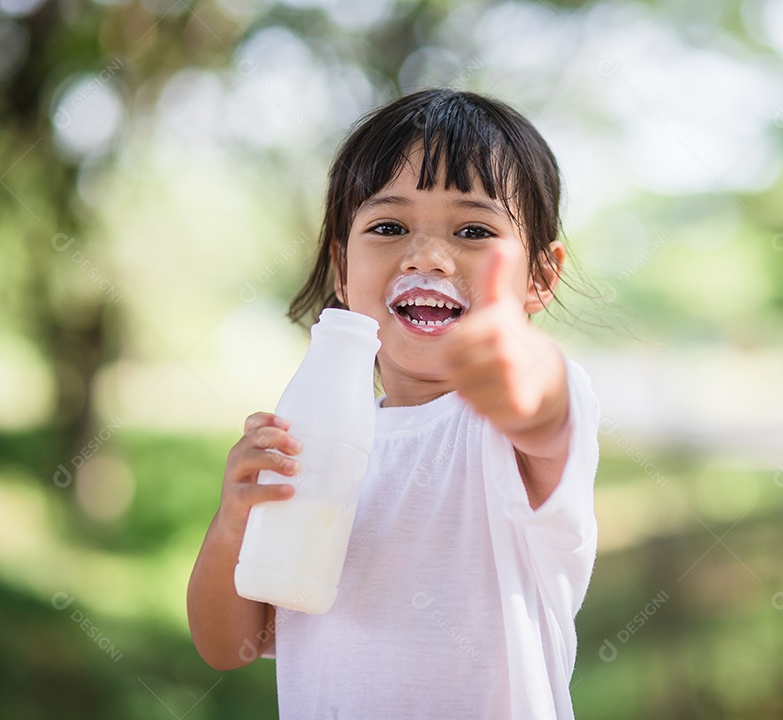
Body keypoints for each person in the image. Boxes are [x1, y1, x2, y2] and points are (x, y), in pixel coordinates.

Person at [187, 88, 601, 720]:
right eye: (388, 226)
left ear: (539, 278)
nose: (426, 257)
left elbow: (548, 413)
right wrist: (232, 525)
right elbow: (229, 647)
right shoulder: (318, 441)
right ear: (342, 269)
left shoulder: (506, 433)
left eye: (472, 230)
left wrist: (522, 375)